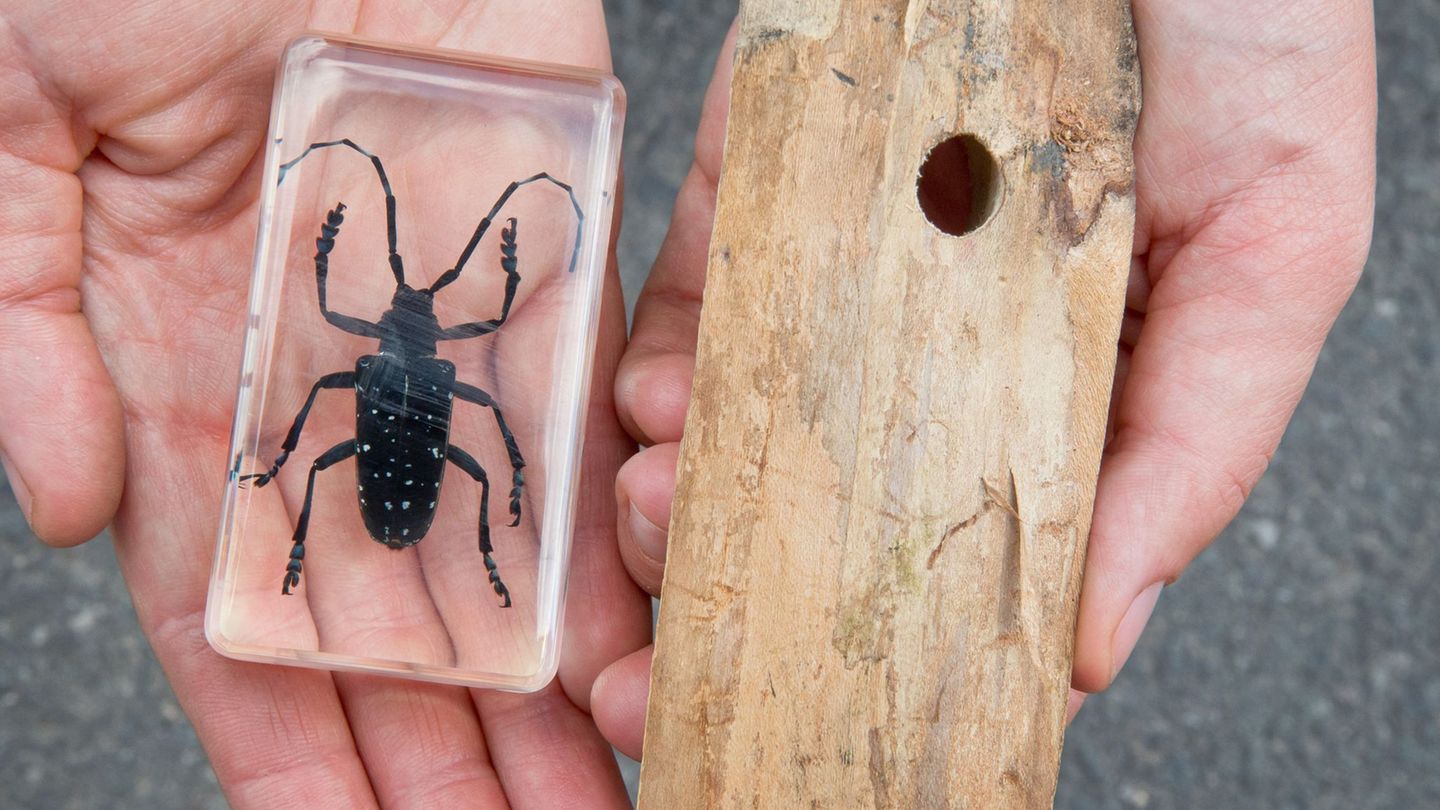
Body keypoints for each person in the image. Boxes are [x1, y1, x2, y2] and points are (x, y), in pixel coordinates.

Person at [0, 1, 1374, 805]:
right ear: (409, 330)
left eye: (402, 308)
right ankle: (413, 544)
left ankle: (373, 542)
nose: (415, 311)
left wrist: (354, 466)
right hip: (409, 462)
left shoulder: (381, 354)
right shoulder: (447, 356)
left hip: (385, 456)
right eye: (406, 307)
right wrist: (497, 496)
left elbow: (337, 402)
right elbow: (450, 371)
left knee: (371, 457)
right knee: (448, 472)